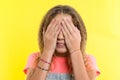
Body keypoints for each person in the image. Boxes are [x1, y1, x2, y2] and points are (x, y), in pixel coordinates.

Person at [23, 5, 100, 80]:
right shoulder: (35, 58)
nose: (60, 37)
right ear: (45, 33)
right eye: (55, 31)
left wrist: (75, 50)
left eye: (66, 31)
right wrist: (48, 51)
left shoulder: (87, 60)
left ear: (78, 34)